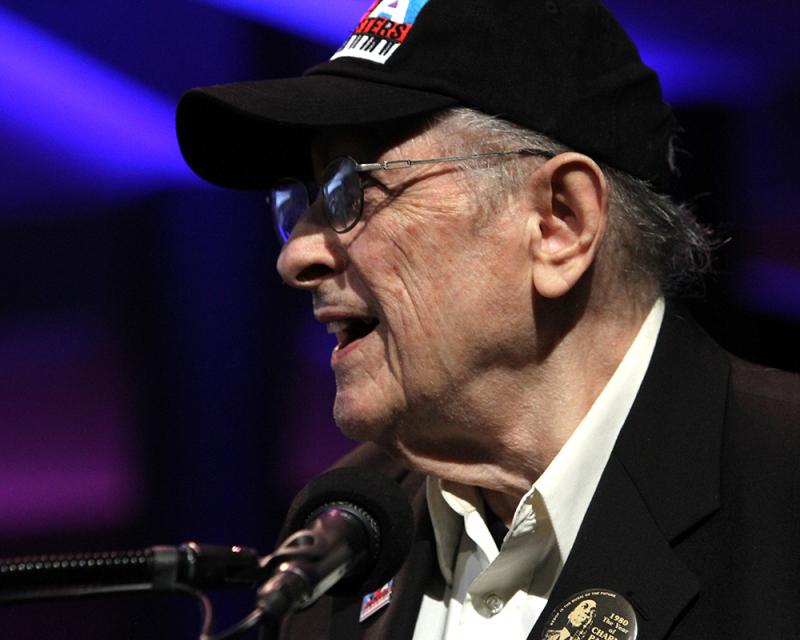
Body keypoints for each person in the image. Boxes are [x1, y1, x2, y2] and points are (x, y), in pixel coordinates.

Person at [176, 0, 800, 638]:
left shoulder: (782, 485)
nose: (296, 255)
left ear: (559, 221)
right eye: (298, 201)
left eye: (347, 190)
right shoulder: (343, 529)